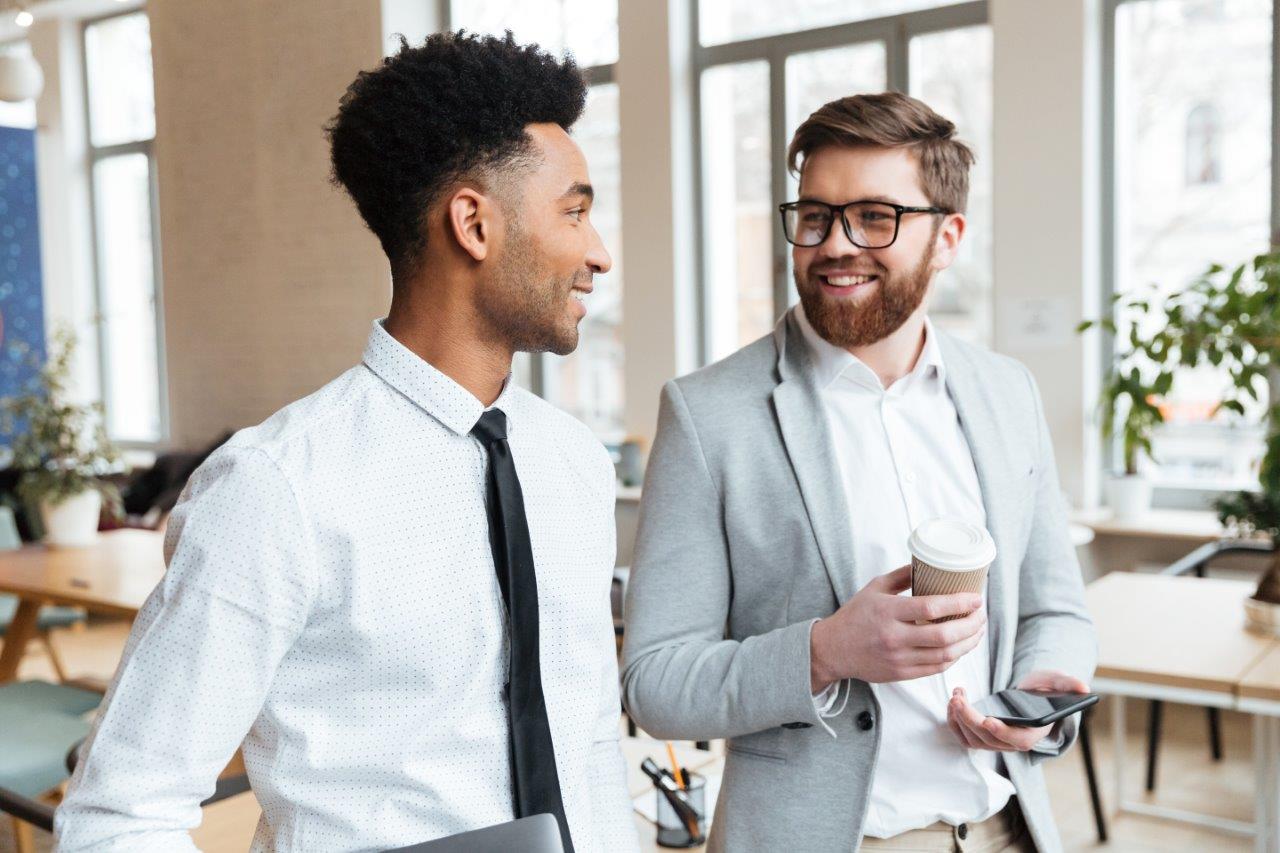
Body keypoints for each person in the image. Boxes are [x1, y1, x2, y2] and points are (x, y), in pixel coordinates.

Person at [57, 31, 638, 853]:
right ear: (473, 223)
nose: (599, 253)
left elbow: (587, 743)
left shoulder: (574, 461)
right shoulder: (276, 487)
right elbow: (118, 816)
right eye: (575, 212)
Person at [621, 92, 1095, 852]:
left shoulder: (1008, 392)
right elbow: (655, 682)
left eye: (876, 216)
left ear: (948, 237)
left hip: (1005, 831)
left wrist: (1038, 689)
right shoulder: (708, 414)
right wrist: (825, 651)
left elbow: (1055, 609)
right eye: (815, 216)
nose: (836, 243)